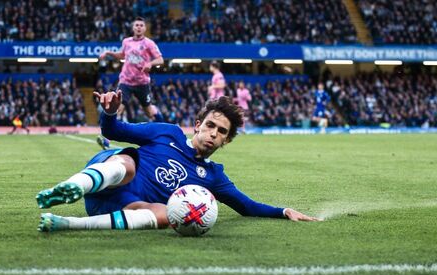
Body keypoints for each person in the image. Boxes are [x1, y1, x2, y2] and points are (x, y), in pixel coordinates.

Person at [36, 90, 320, 233]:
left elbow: (247, 207)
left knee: (165, 214)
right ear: (197, 124)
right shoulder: (167, 132)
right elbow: (114, 131)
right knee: (129, 161)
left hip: (118, 208)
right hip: (107, 178)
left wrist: (283, 211)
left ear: (227, 141)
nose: (213, 133)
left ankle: (67, 223)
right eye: (210, 125)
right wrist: (109, 113)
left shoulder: (213, 177)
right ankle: (72, 186)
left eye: (222, 132)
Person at [97, 16, 164, 150]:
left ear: (144, 28)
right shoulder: (126, 42)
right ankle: (106, 138)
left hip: (142, 82)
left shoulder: (149, 43)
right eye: (136, 25)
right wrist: (108, 53)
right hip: (126, 81)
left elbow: (160, 60)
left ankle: (163, 130)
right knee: (118, 107)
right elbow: (122, 55)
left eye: (141, 25)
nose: (138, 27)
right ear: (133, 28)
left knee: (149, 111)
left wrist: (150, 63)